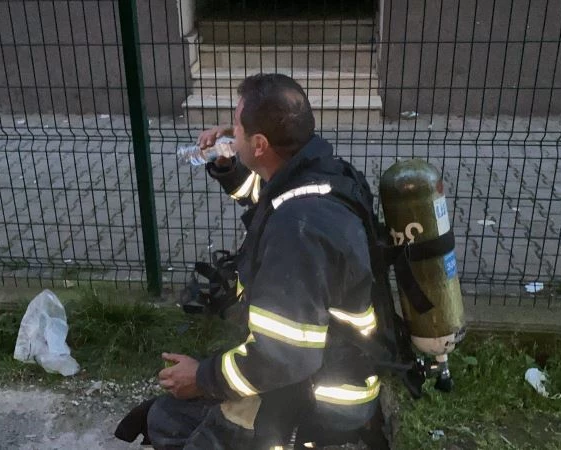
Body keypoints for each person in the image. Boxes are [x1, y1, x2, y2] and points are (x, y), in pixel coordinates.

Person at [133, 73, 384, 449]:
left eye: (237, 126)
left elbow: (282, 358)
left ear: (261, 143)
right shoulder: (318, 173)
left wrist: (201, 377)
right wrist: (228, 163)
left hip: (324, 399)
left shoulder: (296, 233)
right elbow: (265, 196)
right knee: (170, 415)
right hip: (329, 366)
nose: (228, 132)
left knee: (170, 423)